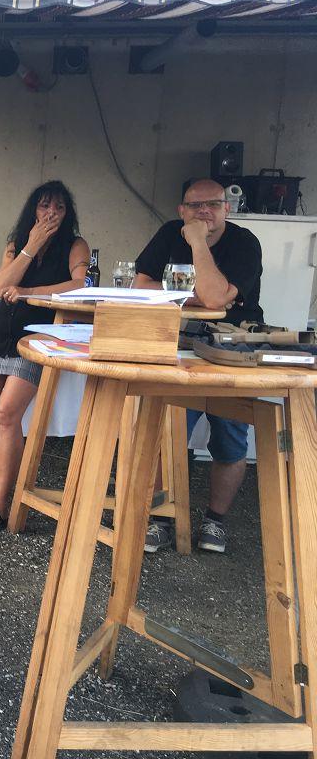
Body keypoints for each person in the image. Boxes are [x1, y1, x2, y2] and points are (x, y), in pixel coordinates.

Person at [133, 178, 264, 554]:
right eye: (194, 206)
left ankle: (215, 520)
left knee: (230, 438)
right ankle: (161, 517)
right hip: (180, 341)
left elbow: (216, 297)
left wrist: (197, 243)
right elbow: (140, 285)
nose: (204, 211)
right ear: (181, 211)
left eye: (213, 204)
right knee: (168, 433)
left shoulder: (245, 243)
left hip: (234, 345)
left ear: (227, 208)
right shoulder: (167, 233)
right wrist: (196, 298)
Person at [0, 181, 89, 532]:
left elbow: (79, 285)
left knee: (7, 413)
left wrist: (27, 292)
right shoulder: (17, 243)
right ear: (33, 209)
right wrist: (32, 245)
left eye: (59, 207)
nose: (51, 213)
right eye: (45, 206)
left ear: (68, 213)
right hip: (1, 334)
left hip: (37, 338)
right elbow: (0, 286)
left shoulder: (75, 245)